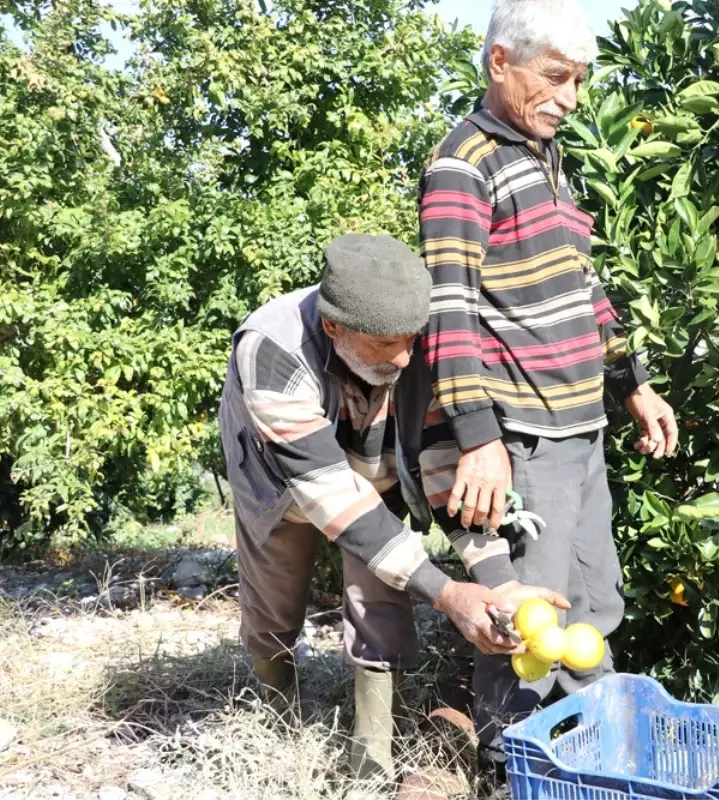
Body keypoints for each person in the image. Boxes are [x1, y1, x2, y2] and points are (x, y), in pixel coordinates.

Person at [416, 0, 679, 780]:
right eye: (555, 76)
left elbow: (581, 283)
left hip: (579, 424)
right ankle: (512, 771)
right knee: (526, 623)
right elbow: (448, 306)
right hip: (523, 434)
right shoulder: (463, 165)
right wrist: (478, 438)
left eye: (579, 80)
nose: (570, 96)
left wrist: (633, 381)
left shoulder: (541, 152)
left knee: (593, 610)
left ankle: (592, 769)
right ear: (501, 62)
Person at [216, 233, 566, 784]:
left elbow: (445, 462)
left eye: (412, 341)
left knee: (380, 602)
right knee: (273, 615)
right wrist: (448, 595)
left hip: (373, 473)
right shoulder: (273, 349)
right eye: (386, 346)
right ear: (334, 328)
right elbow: (331, 496)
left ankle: (371, 762)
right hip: (283, 484)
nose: (404, 358)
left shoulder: (416, 340)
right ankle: (279, 717)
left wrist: (497, 580)